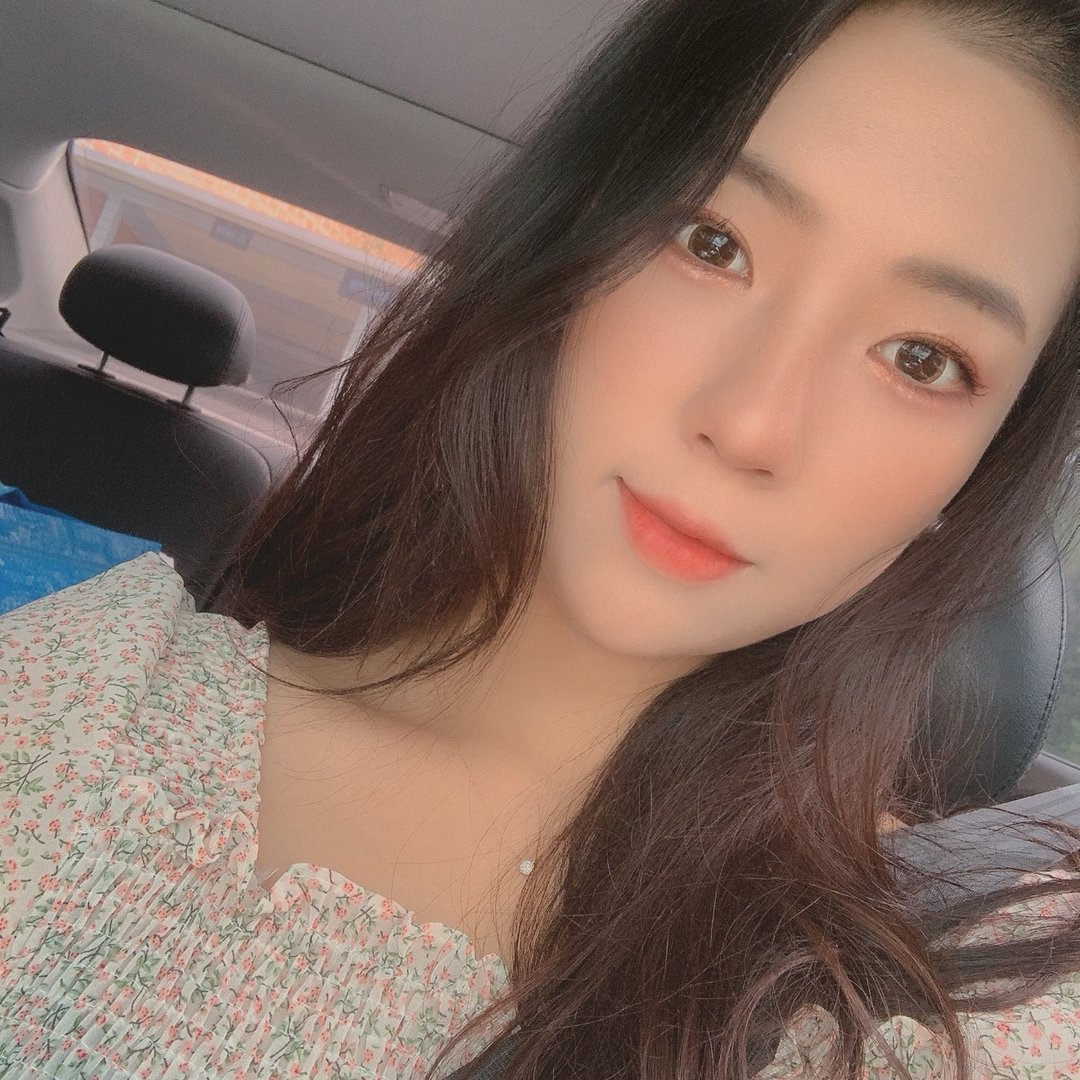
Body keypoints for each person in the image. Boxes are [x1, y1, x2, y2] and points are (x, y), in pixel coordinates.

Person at [1, 0, 1079, 1076]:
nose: (753, 423)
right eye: (713, 242)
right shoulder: (80, 707)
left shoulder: (928, 992)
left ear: (978, 473)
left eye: (923, 359)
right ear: (575, 242)